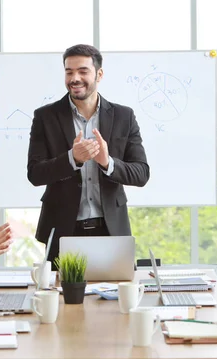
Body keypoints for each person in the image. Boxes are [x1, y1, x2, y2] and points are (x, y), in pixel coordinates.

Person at [27, 44, 150, 263]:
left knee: (112, 296)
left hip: (111, 230)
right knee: (62, 295)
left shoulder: (124, 116)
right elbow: (35, 174)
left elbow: (141, 173)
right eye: (69, 72)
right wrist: (71, 159)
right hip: (62, 230)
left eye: (83, 71)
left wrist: (107, 163)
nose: (75, 78)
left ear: (99, 74)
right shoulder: (45, 117)